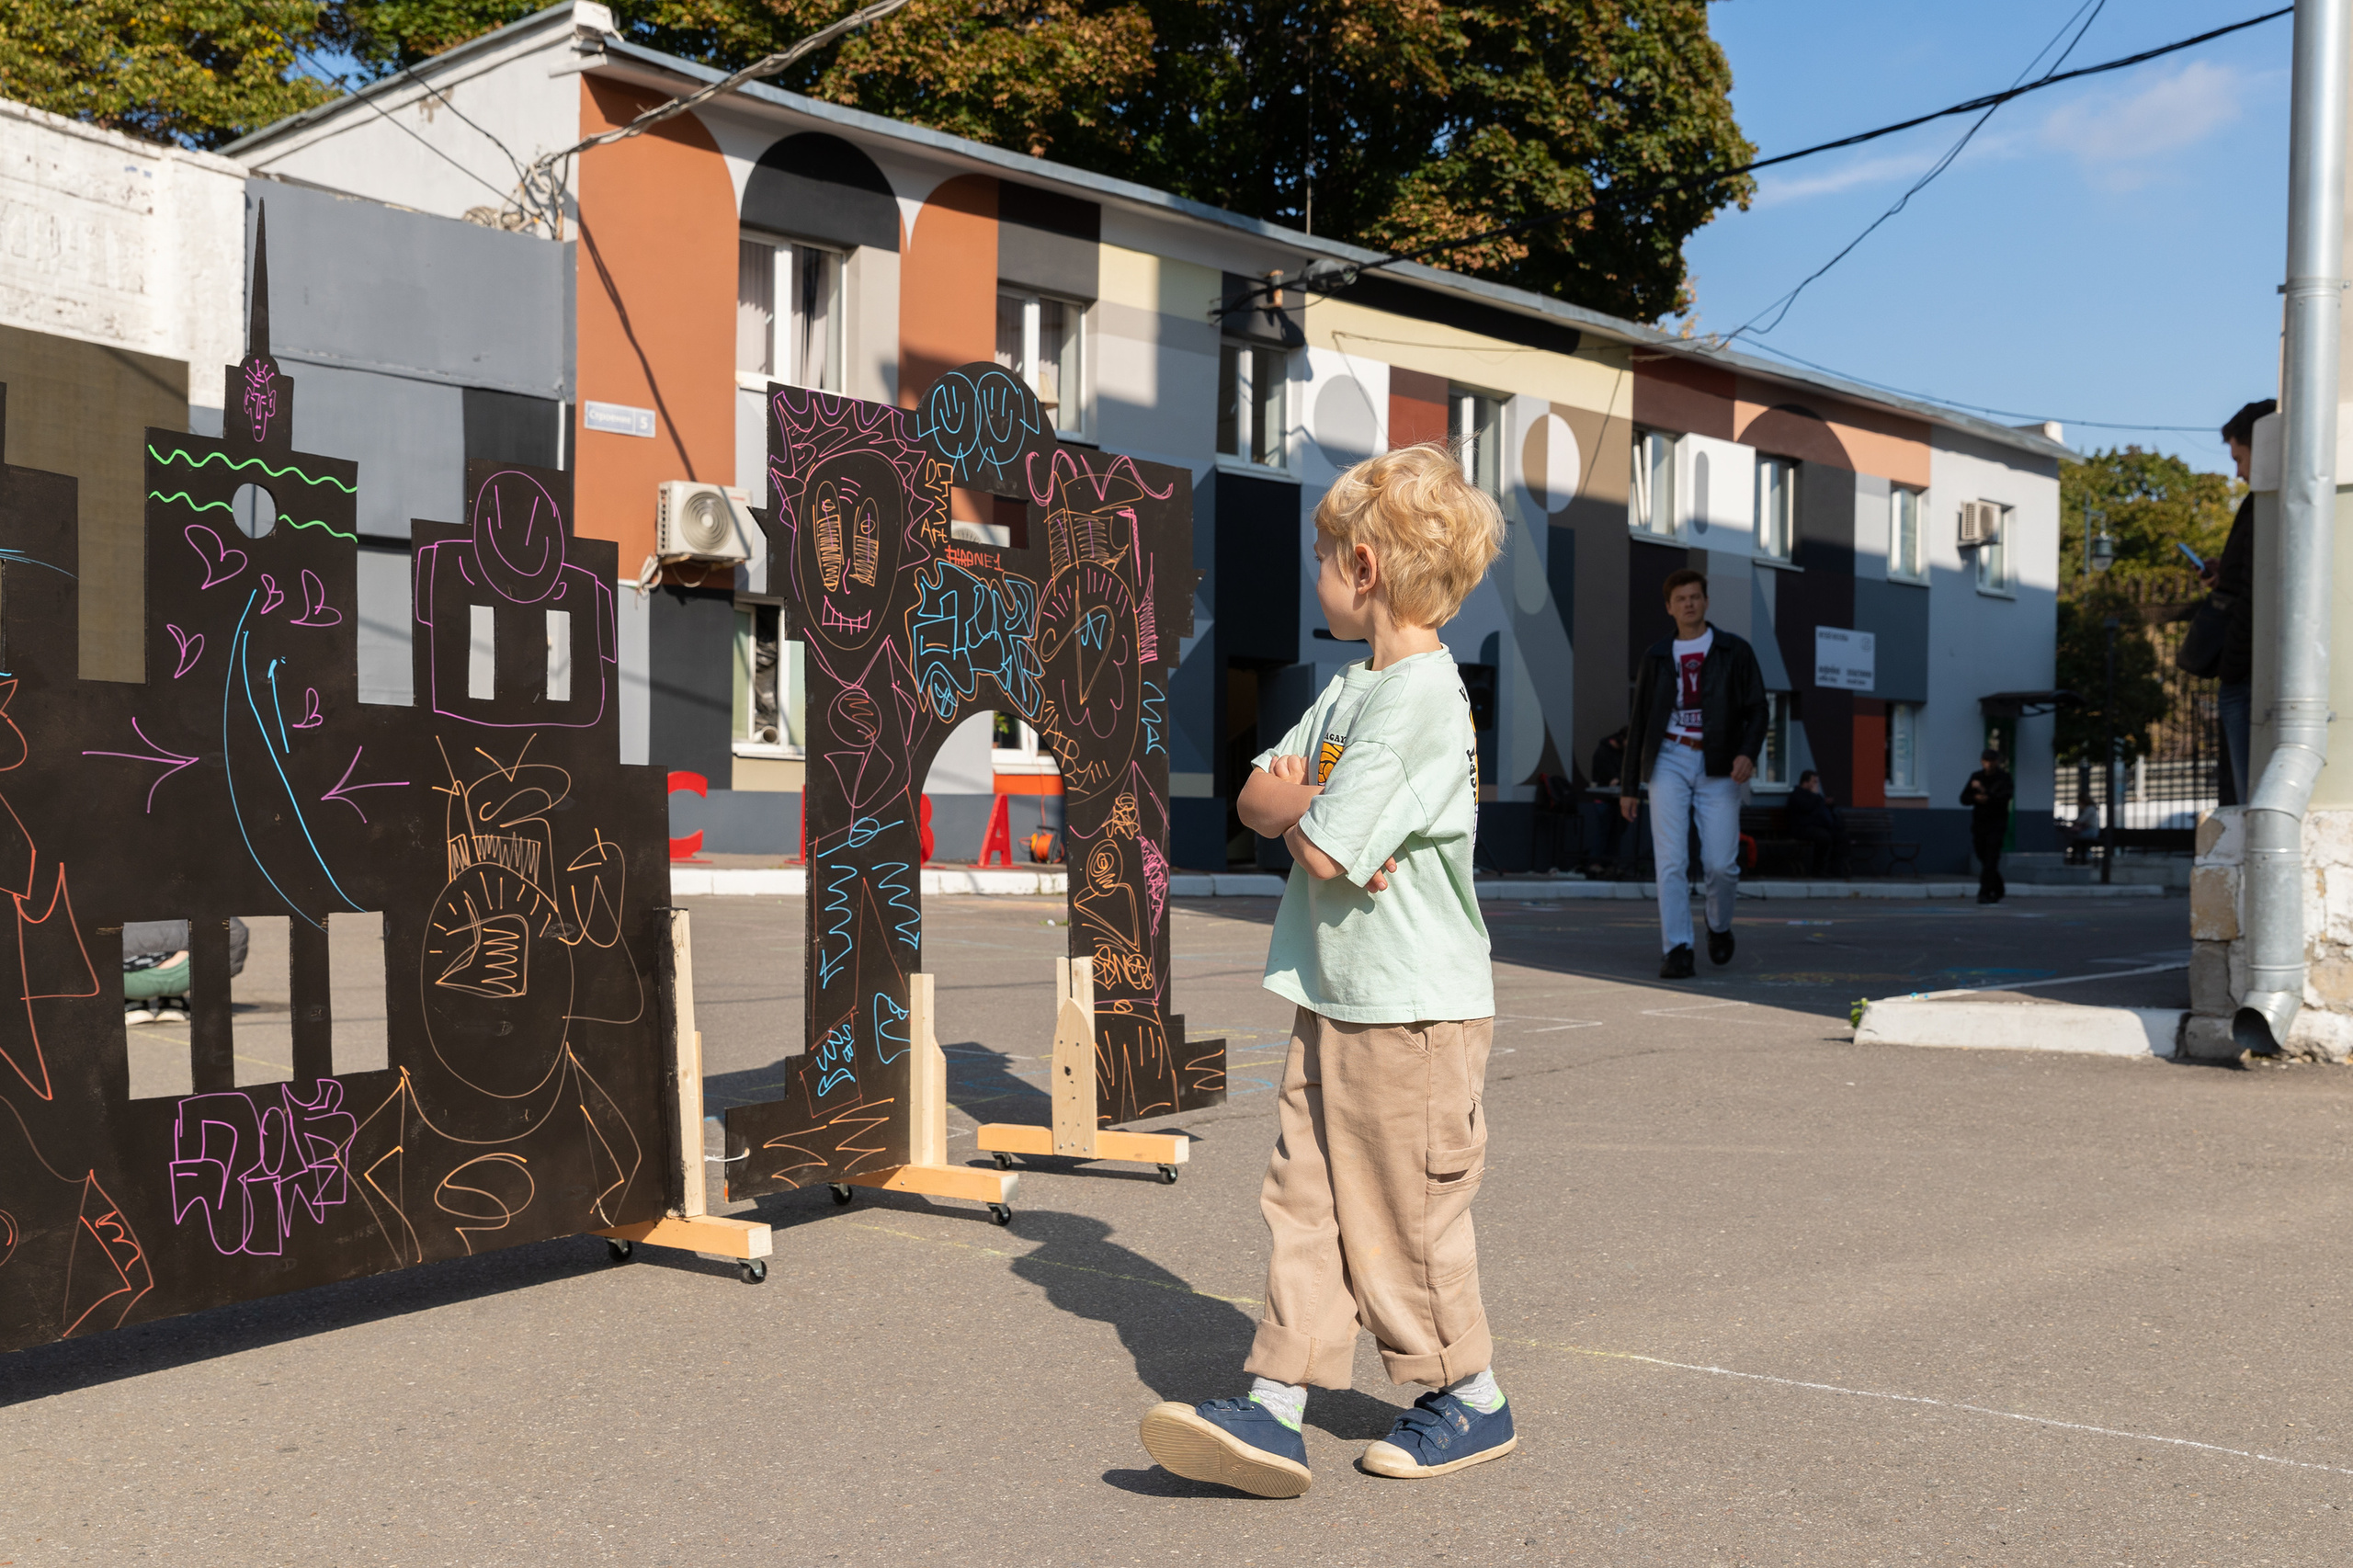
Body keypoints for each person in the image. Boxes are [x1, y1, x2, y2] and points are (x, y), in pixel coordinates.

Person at [1138, 443, 1511, 1497]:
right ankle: (1276, 1400)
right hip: (1335, 991)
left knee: (1404, 1212)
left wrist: (1305, 815)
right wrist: (1307, 810)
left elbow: (1314, 850)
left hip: (1414, 1010)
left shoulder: (1419, 701)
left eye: (1319, 559)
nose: (1315, 579)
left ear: (1362, 565)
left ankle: (1467, 1392)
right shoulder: (1351, 689)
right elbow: (1254, 799)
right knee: (1303, 1199)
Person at [1620, 570, 1768, 978]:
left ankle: (1718, 926)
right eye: (1680, 598)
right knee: (1671, 861)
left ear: (1706, 602)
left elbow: (1758, 708)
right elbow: (1640, 721)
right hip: (1668, 758)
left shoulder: (1733, 651)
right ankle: (1678, 948)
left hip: (1719, 763)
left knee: (1721, 863)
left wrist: (1748, 753)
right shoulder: (1656, 656)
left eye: (1695, 597)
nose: (1688, 603)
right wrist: (1629, 785)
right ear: (1669, 607)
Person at [2201, 399, 2274, 804]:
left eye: (2239, 457)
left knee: (2250, 801)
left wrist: (2231, 664)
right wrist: (2222, 574)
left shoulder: (2261, 503)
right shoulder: (2265, 503)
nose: (2238, 471)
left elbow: (2252, 588)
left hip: (2246, 670)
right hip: (2251, 663)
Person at [1961, 748, 2015, 903]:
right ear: (1982, 761)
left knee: (1992, 857)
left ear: (1997, 762)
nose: (1989, 765)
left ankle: (1984, 892)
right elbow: (1964, 798)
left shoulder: (2004, 778)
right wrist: (1975, 797)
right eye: (1986, 761)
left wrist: (1986, 794)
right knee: (1982, 855)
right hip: (1980, 823)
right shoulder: (1976, 777)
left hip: (1997, 823)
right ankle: (1998, 887)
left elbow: (2005, 796)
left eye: (1992, 761)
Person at [1581, 726, 1630, 875]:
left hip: (1616, 799)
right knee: (1603, 830)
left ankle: (1610, 863)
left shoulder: (1623, 753)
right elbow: (1612, 778)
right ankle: (1595, 862)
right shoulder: (1603, 752)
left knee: (1616, 832)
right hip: (1603, 798)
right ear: (1621, 738)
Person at [1785, 769, 1847, 876]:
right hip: (1802, 829)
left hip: (1815, 827)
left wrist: (1828, 804)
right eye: (1814, 781)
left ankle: (1835, 869)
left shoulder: (1813, 796)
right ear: (1806, 782)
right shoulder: (1797, 795)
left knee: (1840, 836)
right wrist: (1816, 797)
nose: (1816, 785)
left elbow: (1820, 810)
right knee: (1824, 837)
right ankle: (1818, 870)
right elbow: (1807, 808)